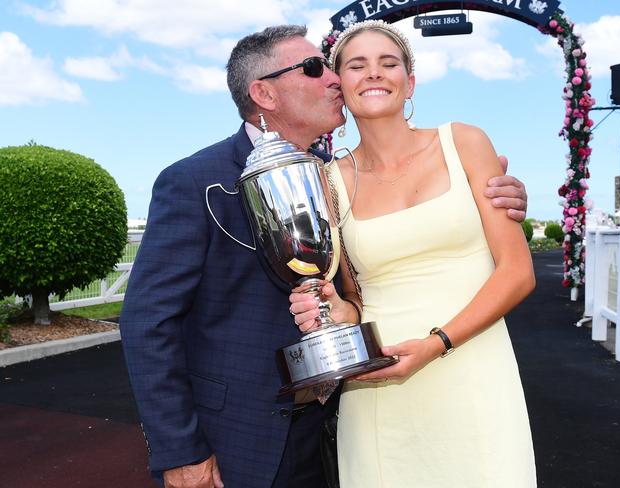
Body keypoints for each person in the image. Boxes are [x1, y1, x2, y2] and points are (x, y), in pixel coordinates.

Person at [119, 24, 530, 488]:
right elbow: (147, 320)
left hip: (331, 427)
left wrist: (485, 203)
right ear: (265, 94)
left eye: (337, 68)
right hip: (241, 439)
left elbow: (355, 291)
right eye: (318, 69)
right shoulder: (196, 180)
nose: (335, 79)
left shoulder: (325, 175)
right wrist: (180, 450)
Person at [290, 20, 537, 487]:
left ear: (410, 81)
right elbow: (354, 296)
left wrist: (435, 343)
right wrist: (339, 311)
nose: (374, 74)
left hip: (474, 367)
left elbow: (518, 272)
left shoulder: (464, 141)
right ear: (339, 84)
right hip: (380, 379)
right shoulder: (328, 181)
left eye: (389, 63)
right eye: (357, 66)